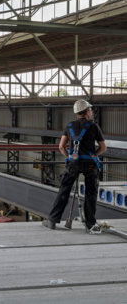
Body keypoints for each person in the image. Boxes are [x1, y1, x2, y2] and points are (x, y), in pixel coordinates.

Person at [43, 100, 107, 234]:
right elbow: (103, 148)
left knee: (64, 191)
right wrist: (93, 155)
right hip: (90, 165)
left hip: (74, 164)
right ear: (87, 112)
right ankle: (90, 225)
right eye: (90, 110)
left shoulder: (69, 126)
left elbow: (61, 147)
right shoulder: (94, 127)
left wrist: (69, 156)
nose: (91, 112)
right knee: (91, 194)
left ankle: (52, 221)